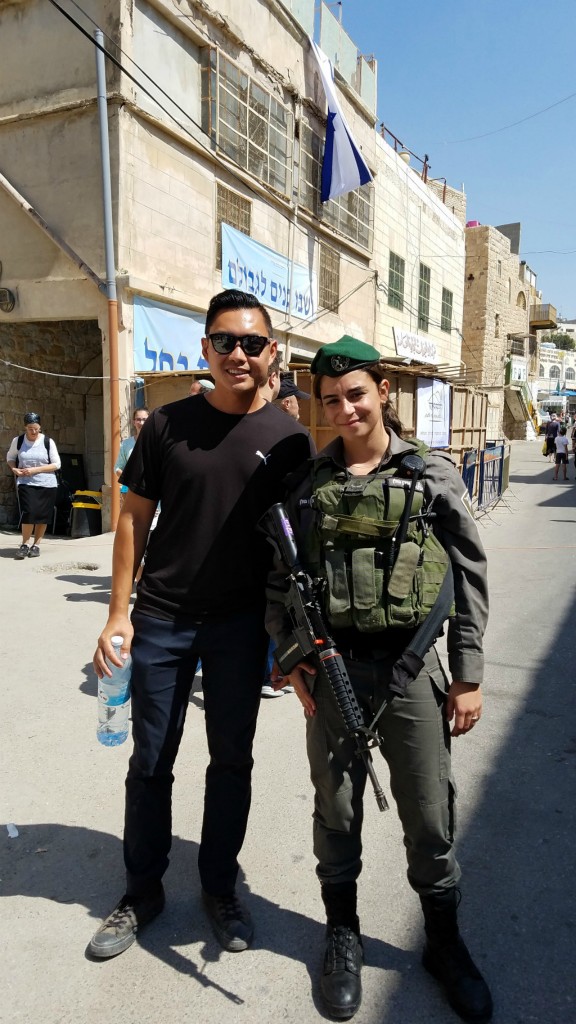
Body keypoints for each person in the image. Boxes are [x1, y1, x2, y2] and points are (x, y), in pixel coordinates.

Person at [265, 337, 492, 1023]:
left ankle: (443, 944)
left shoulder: (431, 475)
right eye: (331, 400)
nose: (345, 409)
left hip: (411, 670)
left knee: (429, 815)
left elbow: (468, 576)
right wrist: (291, 659)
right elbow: (279, 580)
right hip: (333, 670)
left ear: (383, 390)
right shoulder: (307, 485)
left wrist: (468, 673)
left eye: (356, 394)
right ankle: (343, 935)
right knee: (336, 812)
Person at [90, 289, 313, 960]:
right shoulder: (166, 425)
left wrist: (291, 642)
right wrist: (118, 613)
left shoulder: (290, 440)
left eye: (252, 343)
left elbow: (296, 549)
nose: (238, 354)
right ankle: (141, 892)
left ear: (272, 352)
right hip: (162, 618)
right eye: (225, 341)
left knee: (232, 761)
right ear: (206, 348)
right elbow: (133, 518)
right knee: (150, 761)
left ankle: (220, 887)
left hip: (242, 627)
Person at [6, 412, 61, 559]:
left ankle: (36, 545)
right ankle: (24, 544)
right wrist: (14, 468)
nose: (34, 431)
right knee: (29, 512)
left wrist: (36, 470)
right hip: (26, 482)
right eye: (30, 428)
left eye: (36, 428)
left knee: (42, 515)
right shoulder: (18, 441)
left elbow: (56, 464)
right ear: (25, 427)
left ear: (40, 427)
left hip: (47, 484)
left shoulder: (48, 442)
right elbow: (10, 457)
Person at [115, 408, 150, 500]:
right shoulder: (126, 444)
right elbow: (117, 468)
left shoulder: (156, 443)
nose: (141, 423)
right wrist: (132, 480)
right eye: (138, 419)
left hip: (151, 491)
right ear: (134, 422)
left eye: (144, 419)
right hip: (130, 491)